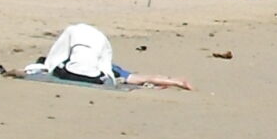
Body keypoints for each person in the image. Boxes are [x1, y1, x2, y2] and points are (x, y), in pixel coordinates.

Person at [18, 22, 192, 90]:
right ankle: (174, 81)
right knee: (135, 77)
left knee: (135, 78)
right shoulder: (85, 37)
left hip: (96, 67)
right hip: (100, 65)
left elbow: (51, 61)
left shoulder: (65, 55)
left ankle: (175, 81)